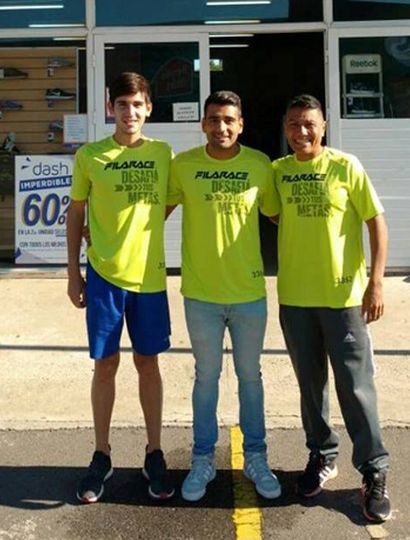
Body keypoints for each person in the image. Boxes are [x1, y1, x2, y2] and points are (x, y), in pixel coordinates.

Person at [270, 94, 391, 522]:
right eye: (293, 125)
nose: (301, 132)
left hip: (343, 300)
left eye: (309, 124)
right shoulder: (278, 173)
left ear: (323, 126)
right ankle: (321, 455)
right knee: (310, 387)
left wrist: (375, 283)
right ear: (284, 129)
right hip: (296, 299)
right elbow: (269, 214)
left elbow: (376, 222)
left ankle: (374, 470)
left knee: (356, 387)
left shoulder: (346, 166)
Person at [166, 90, 281, 502]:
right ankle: (202, 458)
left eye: (229, 120)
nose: (222, 127)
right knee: (206, 378)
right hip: (201, 295)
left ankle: (256, 455)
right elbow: (150, 213)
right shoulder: (183, 166)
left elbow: (284, 217)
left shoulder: (259, 165)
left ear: (241, 124)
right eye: (214, 119)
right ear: (203, 124)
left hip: (249, 293)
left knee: (251, 378)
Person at [66, 72, 174, 503]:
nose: (130, 112)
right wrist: (74, 273)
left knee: (148, 364)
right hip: (103, 279)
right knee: (105, 365)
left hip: (149, 279)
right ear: (111, 107)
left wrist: (137, 230)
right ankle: (102, 454)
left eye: (138, 104)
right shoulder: (91, 155)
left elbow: (170, 201)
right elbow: (76, 214)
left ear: (149, 108)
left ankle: (154, 452)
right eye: (122, 104)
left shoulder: (164, 154)